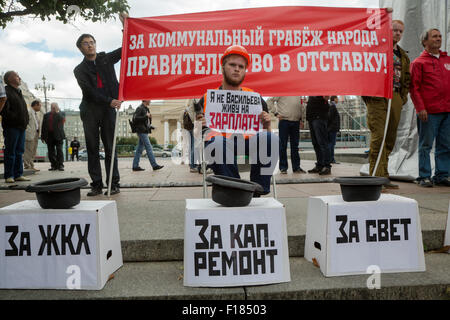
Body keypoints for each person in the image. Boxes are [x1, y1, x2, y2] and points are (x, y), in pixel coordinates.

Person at [196, 45, 277, 196]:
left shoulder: (256, 98)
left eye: (241, 66)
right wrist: (200, 126)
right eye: (232, 65)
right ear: (223, 67)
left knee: (269, 138)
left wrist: (267, 125)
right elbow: (197, 136)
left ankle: (257, 191)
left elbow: (266, 135)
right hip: (221, 144)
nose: (237, 69)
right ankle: (237, 191)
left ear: (245, 70)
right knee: (217, 143)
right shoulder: (207, 100)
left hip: (249, 143)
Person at [73, 12, 128, 196]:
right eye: (86, 43)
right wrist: (109, 100)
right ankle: (96, 184)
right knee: (92, 147)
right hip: (90, 110)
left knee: (110, 146)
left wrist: (126, 25)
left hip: (108, 109)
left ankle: (113, 183)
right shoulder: (79, 69)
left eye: (92, 42)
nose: (90, 45)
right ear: (81, 49)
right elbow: (89, 92)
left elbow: (125, 49)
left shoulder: (105, 58)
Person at [362, 20, 411, 189]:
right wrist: (368, 96)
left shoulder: (403, 55)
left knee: (390, 138)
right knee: (379, 136)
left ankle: (384, 176)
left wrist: (402, 98)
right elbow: (365, 72)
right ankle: (375, 176)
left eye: (400, 31)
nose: (397, 33)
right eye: (395, 30)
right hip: (378, 96)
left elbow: (406, 79)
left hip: (395, 96)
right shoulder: (376, 49)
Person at [410, 28, 450, 187]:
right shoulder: (418, 63)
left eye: (440, 36)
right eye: (434, 36)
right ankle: (424, 176)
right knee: (425, 145)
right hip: (429, 112)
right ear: (425, 41)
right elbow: (414, 88)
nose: (438, 39)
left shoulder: (447, 60)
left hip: (447, 110)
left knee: (446, 145)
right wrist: (420, 108)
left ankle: (442, 175)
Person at [1, 71, 30, 183]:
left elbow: (23, 110)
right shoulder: (6, 91)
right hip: (11, 127)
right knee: (10, 151)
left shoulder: (19, 92)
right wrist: (16, 119)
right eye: (17, 76)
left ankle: (18, 174)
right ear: (9, 79)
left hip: (21, 127)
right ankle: (9, 175)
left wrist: (25, 121)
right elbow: (4, 110)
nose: (19, 77)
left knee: (19, 151)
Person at [267, 96, 305, 174]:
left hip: (296, 121)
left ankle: (296, 167)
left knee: (295, 146)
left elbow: (300, 106)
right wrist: (275, 113)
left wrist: (302, 119)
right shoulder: (282, 90)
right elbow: (269, 101)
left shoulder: (298, 92)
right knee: (283, 145)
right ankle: (283, 167)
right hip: (284, 121)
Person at [132, 100, 164, 172]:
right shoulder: (140, 108)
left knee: (139, 150)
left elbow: (146, 123)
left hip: (144, 130)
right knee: (149, 147)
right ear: (145, 100)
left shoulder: (146, 109)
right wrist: (146, 116)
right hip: (141, 131)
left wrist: (151, 126)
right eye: (149, 99)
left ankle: (135, 166)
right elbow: (135, 118)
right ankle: (154, 165)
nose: (151, 101)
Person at [306, 96, 332, 175]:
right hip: (312, 118)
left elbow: (327, 96)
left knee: (322, 142)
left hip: (319, 117)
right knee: (316, 143)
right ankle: (320, 165)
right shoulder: (312, 89)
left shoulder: (321, 86)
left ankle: (327, 166)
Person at [41, 102, 66, 171]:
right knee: (51, 152)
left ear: (57, 107)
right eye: (52, 107)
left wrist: (57, 111)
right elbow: (43, 126)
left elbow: (62, 120)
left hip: (58, 135)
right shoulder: (46, 115)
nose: (53, 108)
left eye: (55, 107)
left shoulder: (61, 113)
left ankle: (60, 165)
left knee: (59, 150)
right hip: (49, 135)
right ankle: (54, 165)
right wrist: (42, 136)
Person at [24, 99, 43, 171]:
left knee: (33, 150)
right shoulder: (29, 112)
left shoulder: (35, 113)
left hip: (36, 134)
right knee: (28, 150)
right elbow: (25, 123)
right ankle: (27, 166)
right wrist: (27, 131)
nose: (40, 107)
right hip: (30, 134)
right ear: (35, 105)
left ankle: (31, 165)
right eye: (40, 105)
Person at [328, 96, 341, 164]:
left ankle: (330, 159)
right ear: (334, 99)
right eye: (337, 98)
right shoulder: (332, 106)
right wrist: (333, 125)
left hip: (331, 128)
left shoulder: (331, 105)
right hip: (332, 129)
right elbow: (330, 117)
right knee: (331, 144)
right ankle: (331, 159)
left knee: (331, 144)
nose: (338, 99)